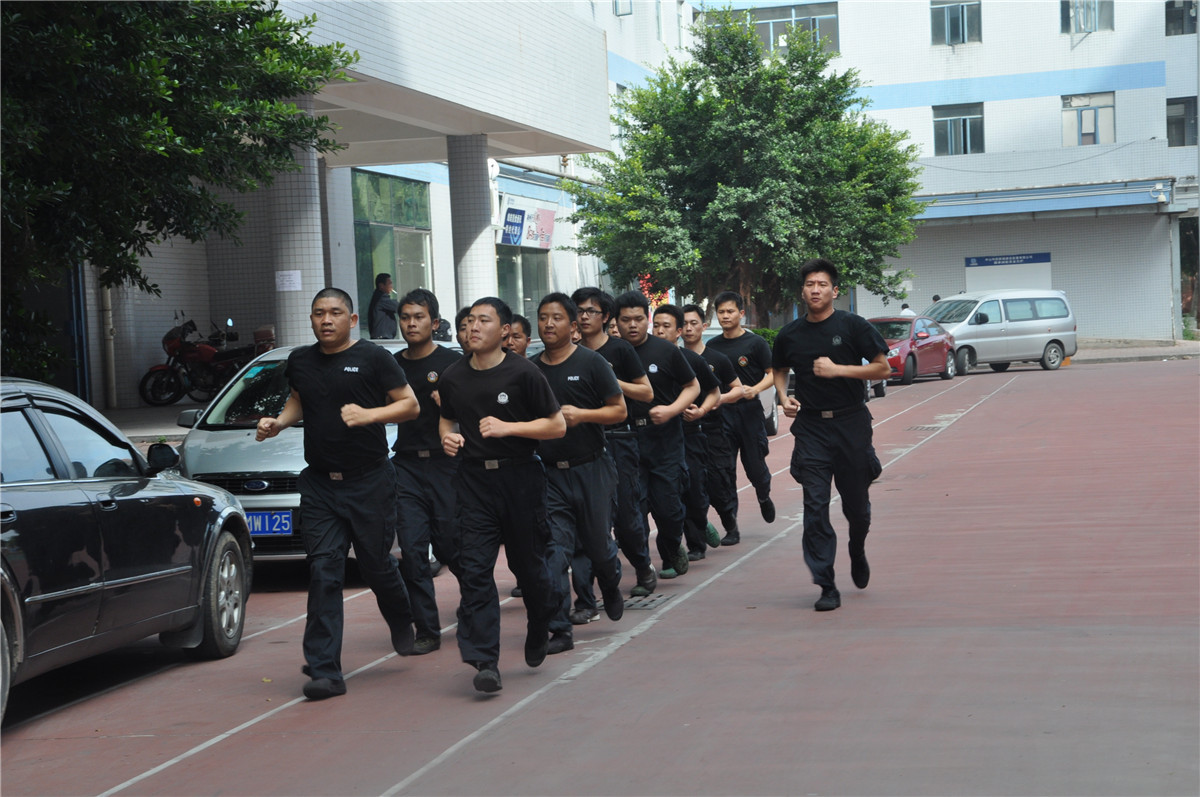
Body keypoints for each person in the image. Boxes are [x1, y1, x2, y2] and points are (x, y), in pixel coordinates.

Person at [255, 287, 420, 700]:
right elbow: (298, 401)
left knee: (376, 565)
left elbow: (409, 405)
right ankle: (326, 670)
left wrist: (370, 415)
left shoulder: (374, 359)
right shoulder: (301, 361)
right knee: (325, 571)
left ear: (352, 320)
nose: (326, 320)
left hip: (370, 480)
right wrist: (278, 423)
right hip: (320, 484)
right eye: (318, 313)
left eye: (334, 313)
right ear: (311, 320)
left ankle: (401, 618)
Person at [438, 297, 566, 694]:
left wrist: (509, 429)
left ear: (505, 331)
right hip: (474, 482)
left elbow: (557, 425)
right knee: (475, 571)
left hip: (521, 479)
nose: (473, 327)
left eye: (484, 321)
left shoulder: (524, 374)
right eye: (469, 321)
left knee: (530, 570)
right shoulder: (453, 376)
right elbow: (446, 417)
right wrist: (447, 437)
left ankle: (540, 622)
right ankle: (484, 659)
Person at [772, 258, 890, 612]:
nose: (815, 289)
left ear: (835, 290)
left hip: (851, 423)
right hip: (811, 428)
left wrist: (838, 370)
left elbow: (882, 367)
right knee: (815, 506)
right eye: (810, 284)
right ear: (802, 291)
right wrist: (783, 397)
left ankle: (857, 547)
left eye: (822, 284)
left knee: (858, 509)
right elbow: (779, 369)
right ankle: (826, 584)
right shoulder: (790, 334)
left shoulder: (853, 326)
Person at [534, 293, 627, 654]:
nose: (548, 325)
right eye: (543, 318)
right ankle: (560, 629)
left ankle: (610, 581)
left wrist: (583, 415)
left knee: (599, 547)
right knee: (554, 552)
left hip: (592, 468)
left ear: (573, 326)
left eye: (557, 318)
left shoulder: (592, 363)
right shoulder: (530, 370)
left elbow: (618, 411)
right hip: (548, 476)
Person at [571, 287, 658, 608]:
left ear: (605, 316)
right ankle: (586, 595)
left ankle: (642, 564)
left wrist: (610, 379)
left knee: (625, 515)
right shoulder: (569, 352)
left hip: (620, 439)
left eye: (590, 311)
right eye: (578, 311)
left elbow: (646, 393)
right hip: (581, 444)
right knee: (588, 520)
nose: (583, 317)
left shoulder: (620, 350)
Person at [392, 288, 463, 655]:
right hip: (405, 464)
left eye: (418, 317)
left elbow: (474, 410)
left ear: (434, 322)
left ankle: (473, 607)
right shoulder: (392, 364)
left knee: (452, 543)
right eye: (405, 317)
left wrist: (451, 404)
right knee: (413, 550)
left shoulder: (453, 362)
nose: (411, 324)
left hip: (445, 465)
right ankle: (427, 629)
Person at [613, 290, 699, 580]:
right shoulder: (608, 353)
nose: (633, 325)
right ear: (616, 321)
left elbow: (693, 387)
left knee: (668, 508)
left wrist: (672, 410)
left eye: (639, 319)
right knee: (631, 513)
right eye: (626, 320)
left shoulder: (665, 351)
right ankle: (642, 570)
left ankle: (671, 546)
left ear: (647, 319)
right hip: (624, 440)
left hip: (664, 439)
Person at [652, 304, 723, 562]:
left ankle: (698, 531)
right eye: (656, 325)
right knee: (665, 498)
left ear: (679, 331)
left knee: (693, 491)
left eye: (666, 326)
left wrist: (701, 411)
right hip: (658, 438)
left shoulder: (692, 360)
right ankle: (674, 549)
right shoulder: (641, 360)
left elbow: (714, 391)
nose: (659, 331)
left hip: (690, 434)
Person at [705, 291, 776, 537]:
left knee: (755, 466)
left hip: (749, 413)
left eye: (730, 311)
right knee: (724, 471)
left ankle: (764, 495)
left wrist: (754, 390)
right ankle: (731, 526)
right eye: (721, 312)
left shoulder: (755, 343)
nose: (725, 316)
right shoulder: (712, 347)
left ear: (741, 313)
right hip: (721, 414)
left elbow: (773, 373)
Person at [680, 303, 744, 553]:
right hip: (685, 433)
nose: (688, 328)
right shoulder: (675, 358)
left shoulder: (717, 358)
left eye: (693, 323)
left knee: (717, 483)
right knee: (689, 486)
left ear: (703, 326)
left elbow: (737, 389)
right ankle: (696, 543)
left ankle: (730, 522)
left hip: (714, 430)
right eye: (683, 324)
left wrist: (716, 401)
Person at [367, 273, 400, 339]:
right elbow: (398, 306)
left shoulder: (378, 297)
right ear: (381, 286)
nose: (391, 286)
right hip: (382, 337)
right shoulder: (381, 298)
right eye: (389, 284)